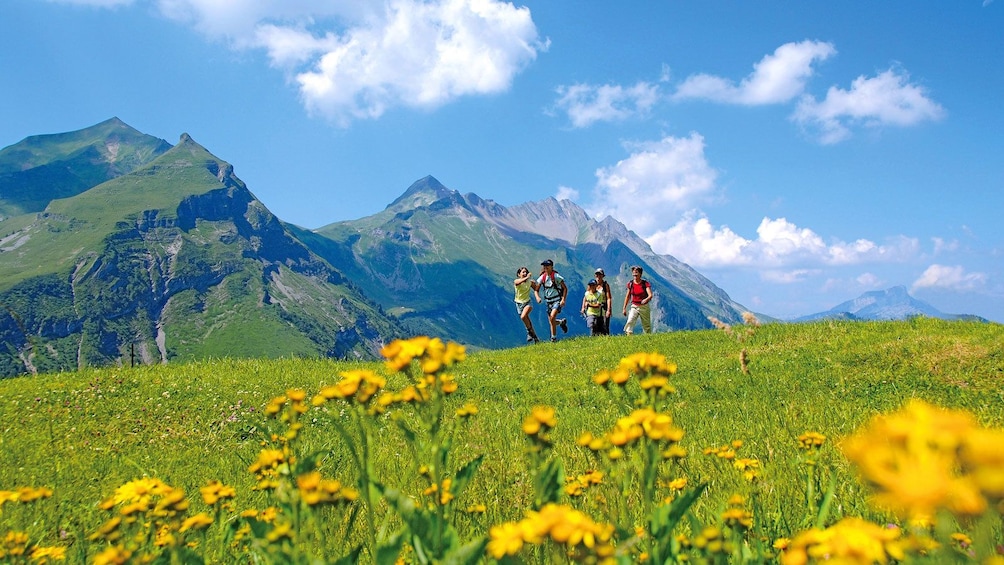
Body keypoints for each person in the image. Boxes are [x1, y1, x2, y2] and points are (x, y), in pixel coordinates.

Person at [534, 259, 568, 342]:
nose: (545, 267)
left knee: (552, 317)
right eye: (544, 266)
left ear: (551, 267)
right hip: (548, 301)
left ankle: (553, 338)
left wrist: (563, 299)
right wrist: (537, 297)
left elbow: (565, 288)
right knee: (551, 321)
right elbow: (536, 289)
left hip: (556, 300)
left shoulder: (556, 276)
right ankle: (561, 322)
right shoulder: (543, 277)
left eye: (547, 266)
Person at [622, 265, 653, 334]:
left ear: (640, 274)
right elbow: (627, 296)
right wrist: (624, 308)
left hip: (644, 306)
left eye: (636, 272)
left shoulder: (645, 283)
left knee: (646, 325)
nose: (634, 274)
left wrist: (646, 299)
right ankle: (629, 337)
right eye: (633, 272)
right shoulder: (630, 284)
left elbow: (650, 295)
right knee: (630, 321)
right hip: (634, 306)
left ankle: (648, 338)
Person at [513, 266, 540, 343]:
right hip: (519, 304)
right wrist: (527, 278)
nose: (525, 273)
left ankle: (529, 333)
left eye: (526, 272)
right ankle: (535, 338)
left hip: (527, 302)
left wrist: (538, 283)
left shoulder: (529, 282)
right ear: (519, 274)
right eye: (523, 272)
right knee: (527, 321)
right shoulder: (516, 281)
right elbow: (517, 283)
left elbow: (536, 289)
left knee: (523, 316)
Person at [593, 268, 613, 335]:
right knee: (595, 325)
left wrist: (609, 310)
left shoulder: (605, 285)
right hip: (594, 307)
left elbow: (609, 298)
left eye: (600, 275)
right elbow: (587, 295)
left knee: (605, 325)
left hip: (603, 307)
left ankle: (606, 339)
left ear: (602, 276)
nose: (598, 277)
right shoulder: (592, 285)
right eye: (597, 275)